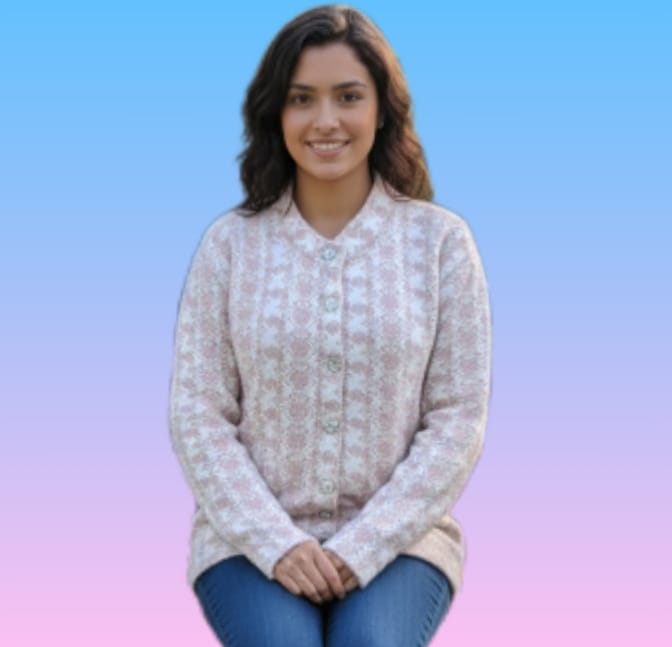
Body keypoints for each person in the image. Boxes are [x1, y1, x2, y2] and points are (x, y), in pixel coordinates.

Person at [169, 4, 492, 646]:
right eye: (301, 99)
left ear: (382, 110)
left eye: (348, 96)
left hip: (403, 542)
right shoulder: (229, 246)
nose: (325, 120)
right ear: (276, 113)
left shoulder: (440, 244)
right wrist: (278, 543)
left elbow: (457, 418)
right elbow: (198, 414)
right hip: (246, 541)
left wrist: (361, 546)